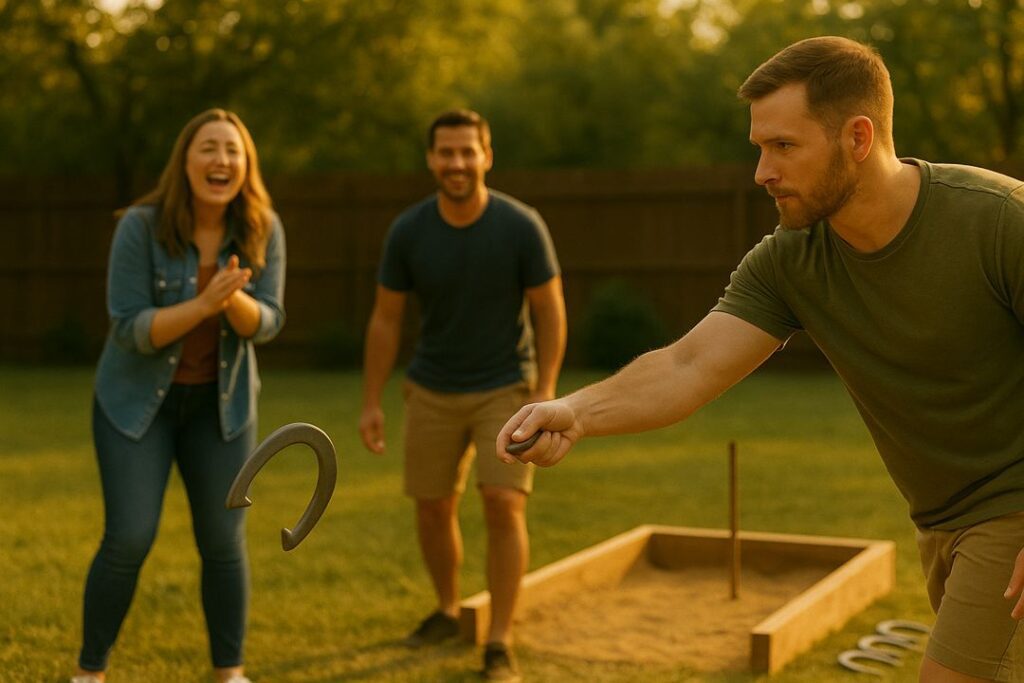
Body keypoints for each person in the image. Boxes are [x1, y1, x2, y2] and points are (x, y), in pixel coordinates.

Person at [498, 36, 1024, 683]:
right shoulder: (792, 260)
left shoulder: (998, 221)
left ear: (858, 137)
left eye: (784, 146)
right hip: (939, 521)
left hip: (1011, 508)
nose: (761, 172)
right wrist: (575, 410)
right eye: (759, 148)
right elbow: (687, 365)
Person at [72, 108, 286, 683]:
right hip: (135, 407)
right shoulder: (140, 226)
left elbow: (266, 322)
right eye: (208, 148)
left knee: (223, 539)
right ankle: (89, 673)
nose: (221, 160)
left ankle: (229, 673)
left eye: (232, 151)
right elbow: (130, 327)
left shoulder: (263, 227)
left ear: (246, 165)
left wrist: (231, 301)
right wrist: (204, 303)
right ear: (185, 161)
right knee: (130, 536)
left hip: (222, 409)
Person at [359, 109, 566, 682]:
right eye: (445, 153)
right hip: (431, 386)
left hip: (506, 385)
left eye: (466, 151)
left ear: (486, 155)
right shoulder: (409, 231)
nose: (456, 163)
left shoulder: (521, 225)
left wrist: (545, 392)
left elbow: (550, 311)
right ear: (431, 159)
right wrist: (371, 401)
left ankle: (498, 641)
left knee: (502, 503)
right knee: (432, 507)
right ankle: (448, 611)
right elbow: (384, 320)